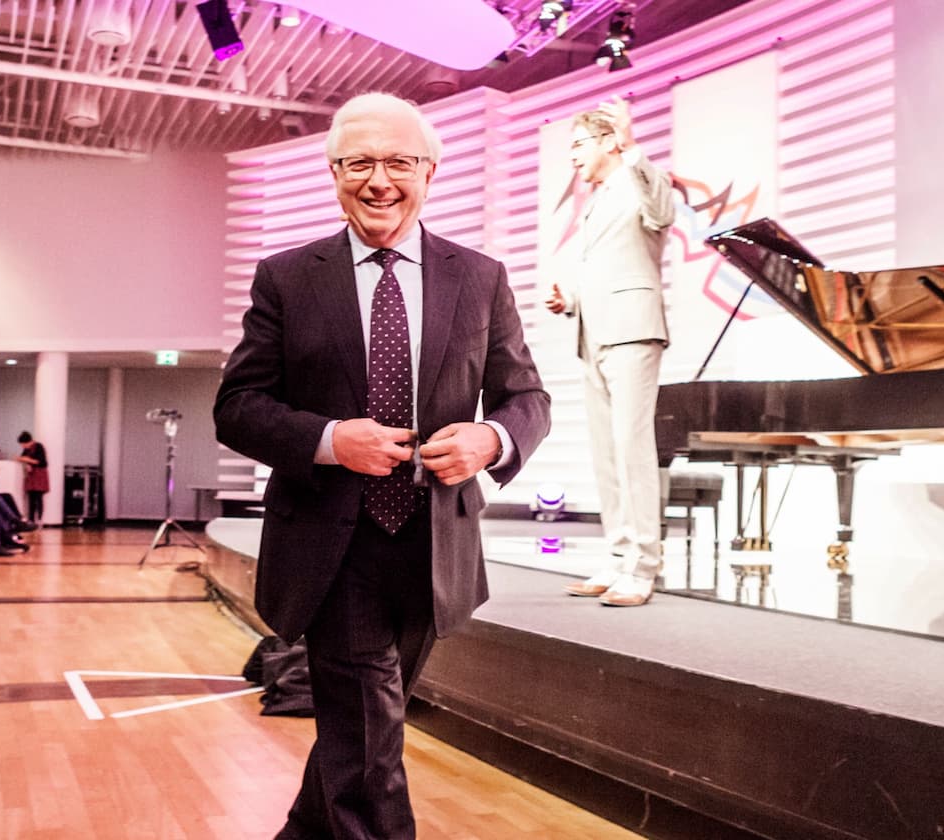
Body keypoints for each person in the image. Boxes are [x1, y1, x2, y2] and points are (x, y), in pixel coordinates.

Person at [215, 92, 550, 840]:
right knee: (368, 730)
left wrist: (489, 441)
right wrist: (334, 439)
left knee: (361, 728)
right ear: (333, 171)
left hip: (437, 546)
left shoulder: (482, 277)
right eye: (358, 162)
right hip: (333, 544)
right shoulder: (286, 277)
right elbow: (237, 406)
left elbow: (527, 395)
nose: (379, 180)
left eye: (399, 161)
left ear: (430, 170)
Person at [544, 96, 677, 608]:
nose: (573, 156)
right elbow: (607, 266)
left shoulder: (639, 181)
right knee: (605, 455)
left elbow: (662, 211)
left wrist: (631, 144)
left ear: (607, 142)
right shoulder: (596, 200)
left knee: (631, 449)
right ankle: (619, 556)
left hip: (633, 331)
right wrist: (570, 298)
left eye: (578, 145)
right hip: (592, 332)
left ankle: (644, 566)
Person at [15, 431, 48, 524]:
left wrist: (27, 460)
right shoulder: (26, 450)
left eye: (23, 444)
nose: (23, 447)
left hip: (39, 475)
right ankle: (31, 519)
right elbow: (23, 458)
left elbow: (41, 461)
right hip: (31, 476)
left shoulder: (39, 446)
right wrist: (26, 463)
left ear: (28, 442)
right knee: (31, 498)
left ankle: (40, 519)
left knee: (38, 497)